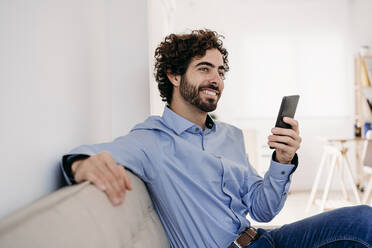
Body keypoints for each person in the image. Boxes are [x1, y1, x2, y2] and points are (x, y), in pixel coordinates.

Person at [61, 29, 372, 248]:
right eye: (204, 68)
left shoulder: (231, 136)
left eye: (221, 71)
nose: (216, 79)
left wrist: (282, 160)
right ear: (174, 75)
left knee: (362, 219)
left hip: (266, 237)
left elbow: (262, 209)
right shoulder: (152, 140)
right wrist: (81, 166)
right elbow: (86, 155)